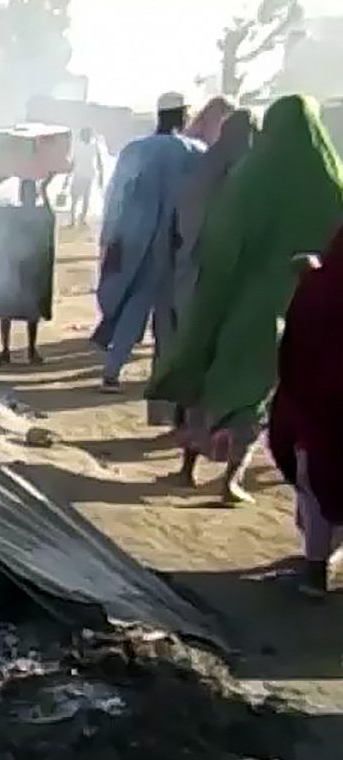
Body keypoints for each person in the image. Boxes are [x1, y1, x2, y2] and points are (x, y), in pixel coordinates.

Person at [148, 94, 343, 505]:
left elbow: (221, 239)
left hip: (237, 296)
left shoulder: (250, 177)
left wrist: (212, 287)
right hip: (298, 303)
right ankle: (231, 480)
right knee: (258, 391)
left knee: (208, 372)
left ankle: (187, 468)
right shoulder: (332, 181)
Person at [149, 105, 257, 428]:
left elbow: (181, 223)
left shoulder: (202, 168)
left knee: (184, 345)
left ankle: (178, 418)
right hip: (220, 278)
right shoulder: (251, 175)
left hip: (186, 273)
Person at [91, 91, 205, 391]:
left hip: (134, 239)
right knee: (170, 311)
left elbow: (115, 196)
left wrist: (109, 236)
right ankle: (164, 377)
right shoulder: (196, 152)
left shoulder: (135, 150)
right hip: (176, 241)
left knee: (133, 302)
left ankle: (112, 370)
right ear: (184, 116)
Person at [268, 232, 343, 596]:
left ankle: (315, 571)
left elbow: (295, 350)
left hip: (322, 408)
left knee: (315, 482)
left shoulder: (321, 287)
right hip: (322, 403)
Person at [0, 176, 57, 365]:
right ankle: (30, 351)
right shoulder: (39, 214)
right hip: (31, 269)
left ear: (20, 195)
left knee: (9, 310)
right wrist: (44, 190)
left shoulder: (10, 213)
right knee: (27, 311)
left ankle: (8, 351)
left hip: (15, 268)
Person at [66, 127, 106, 227]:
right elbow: (99, 164)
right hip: (87, 174)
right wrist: (101, 177)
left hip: (81, 174)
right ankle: (80, 219)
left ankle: (74, 220)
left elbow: (73, 163)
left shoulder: (79, 146)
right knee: (84, 198)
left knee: (76, 198)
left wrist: (67, 177)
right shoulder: (93, 146)